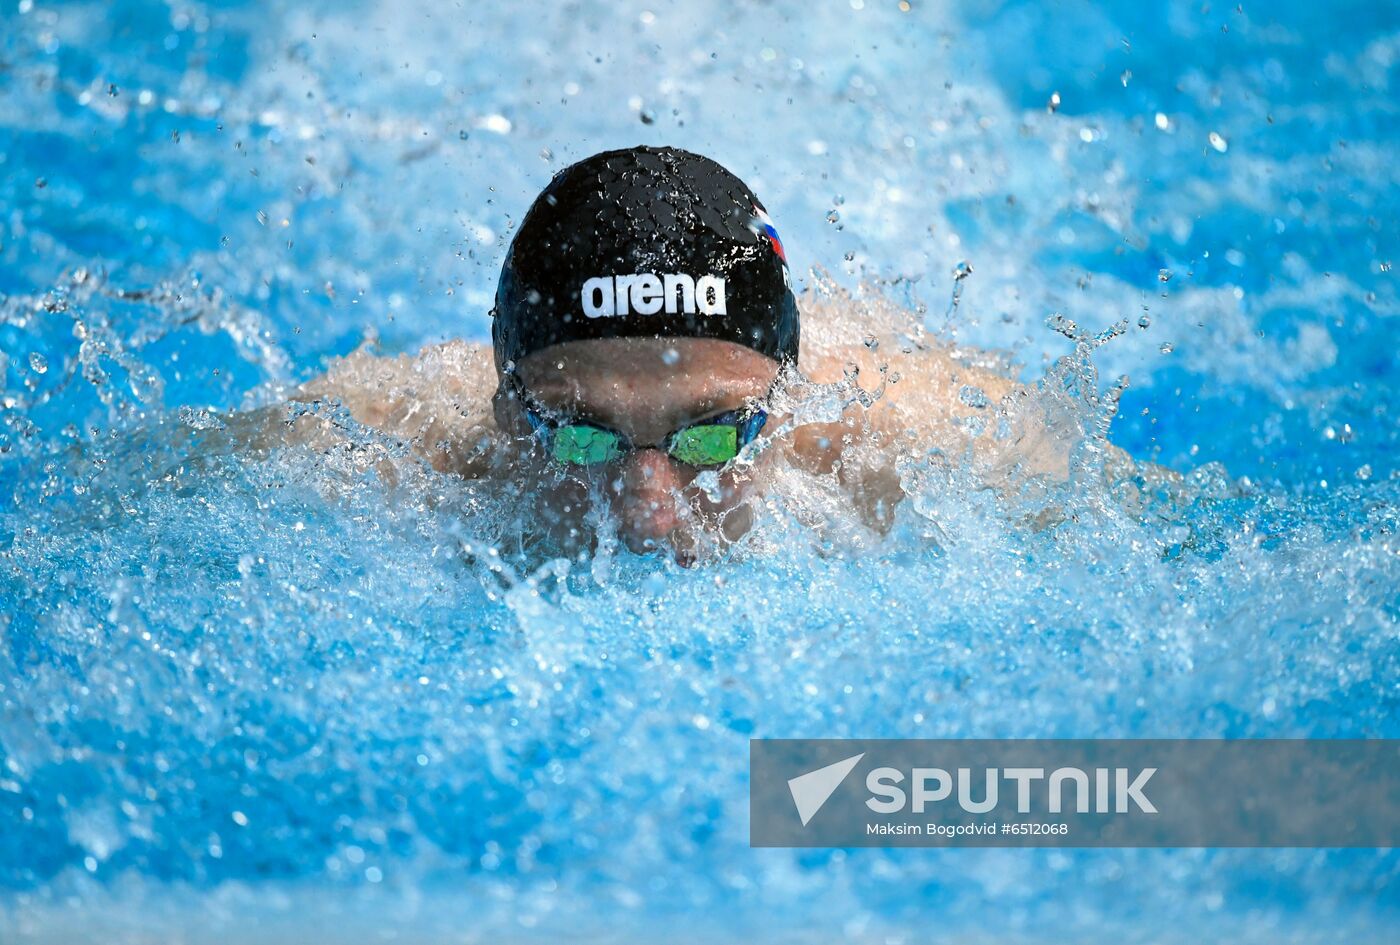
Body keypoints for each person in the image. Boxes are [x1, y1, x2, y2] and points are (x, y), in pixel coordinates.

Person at [286, 145, 1142, 566]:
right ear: (505, 412)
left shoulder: (944, 444)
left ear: (792, 400)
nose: (647, 517)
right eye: (582, 439)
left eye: (714, 437)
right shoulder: (367, 447)